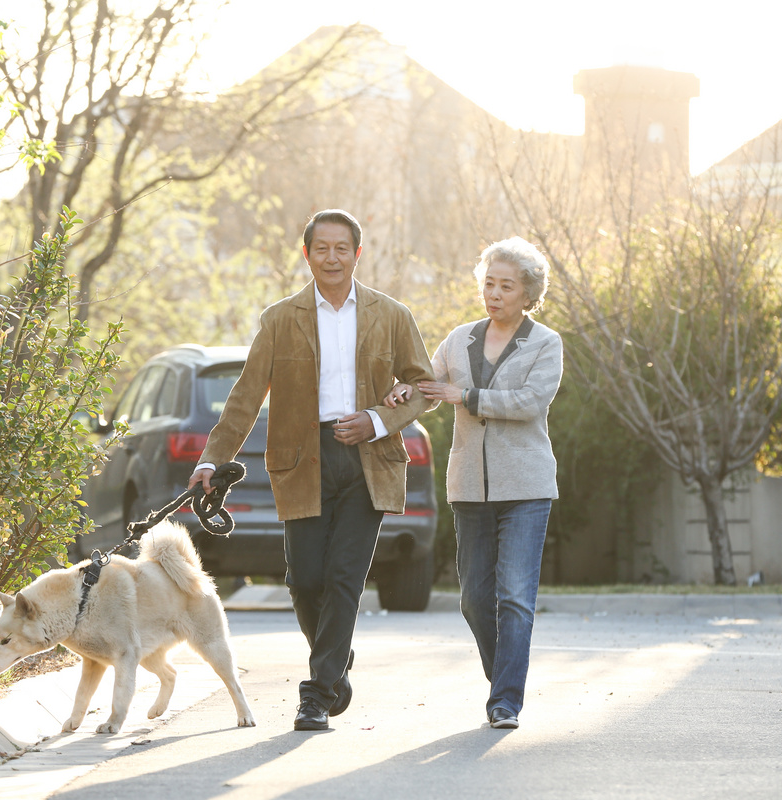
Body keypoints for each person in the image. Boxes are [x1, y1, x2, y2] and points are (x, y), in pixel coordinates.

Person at [189, 209, 434, 732]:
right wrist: (214, 455)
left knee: (345, 578)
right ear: (307, 255)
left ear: (357, 254)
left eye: (341, 248)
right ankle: (335, 659)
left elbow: (422, 384)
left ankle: (317, 694)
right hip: (302, 461)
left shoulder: (391, 314)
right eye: (321, 248)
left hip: (368, 459)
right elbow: (247, 394)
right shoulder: (282, 318)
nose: (331, 257)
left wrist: (376, 419)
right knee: (304, 580)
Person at [386, 236, 562, 729]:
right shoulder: (460, 337)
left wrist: (463, 394)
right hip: (469, 485)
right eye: (489, 283)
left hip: (525, 486)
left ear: (528, 294)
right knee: (474, 599)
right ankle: (504, 676)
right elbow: (430, 386)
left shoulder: (546, 342)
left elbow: (530, 402)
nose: (496, 293)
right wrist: (404, 391)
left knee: (514, 596)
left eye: (507, 286)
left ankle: (505, 699)